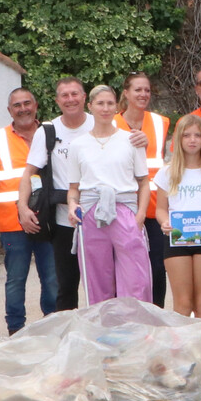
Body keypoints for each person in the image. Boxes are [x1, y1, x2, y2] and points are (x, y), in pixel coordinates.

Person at [62, 84, 153, 303]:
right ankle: (102, 332)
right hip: (92, 212)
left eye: (110, 103)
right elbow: (74, 188)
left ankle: (135, 329)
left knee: (135, 279)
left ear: (116, 107)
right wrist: (73, 206)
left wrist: (139, 216)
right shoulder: (78, 145)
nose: (105, 108)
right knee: (96, 279)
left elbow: (143, 182)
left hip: (124, 211)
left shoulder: (131, 140)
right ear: (90, 106)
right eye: (100, 103)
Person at [0, 86, 56, 333]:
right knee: (15, 281)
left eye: (27, 103)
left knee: (52, 280)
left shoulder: (52, 133)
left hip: (49, 220)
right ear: (9, 110)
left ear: (36, 106)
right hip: (13, 223)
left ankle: (52, 326)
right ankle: (16, 331)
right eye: (17, 105)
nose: (23, 108)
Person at [25, 76, 92, 310]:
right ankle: (68, 338)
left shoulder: (100, 125)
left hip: (100, 219)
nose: (70, 99)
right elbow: (29, 172)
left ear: (84, 98)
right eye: (65, 95)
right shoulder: (47, 131)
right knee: (66, 286)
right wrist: (22, 208)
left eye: (75, 94)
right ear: (57, 100)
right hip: (64, 221)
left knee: (102, 285)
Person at [157, 112, 201, 322]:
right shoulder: (167, 172)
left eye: (197, 135)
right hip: (177, 240)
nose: (192, 140)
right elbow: (161, 208)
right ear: (178, 139)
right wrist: (164, 222)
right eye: (186, 135)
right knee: (183, 303)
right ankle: (182, 352)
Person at [114, 71, 172, 305]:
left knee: (158, 268)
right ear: (126, 93)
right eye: (138, 89)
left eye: (147, 90)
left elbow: (168, 164)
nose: (143, 94)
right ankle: (125, 319)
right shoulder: (111, 123)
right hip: (123, 208)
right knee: (124, 267)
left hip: (155, 209)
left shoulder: (161, 122)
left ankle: (155, 316)